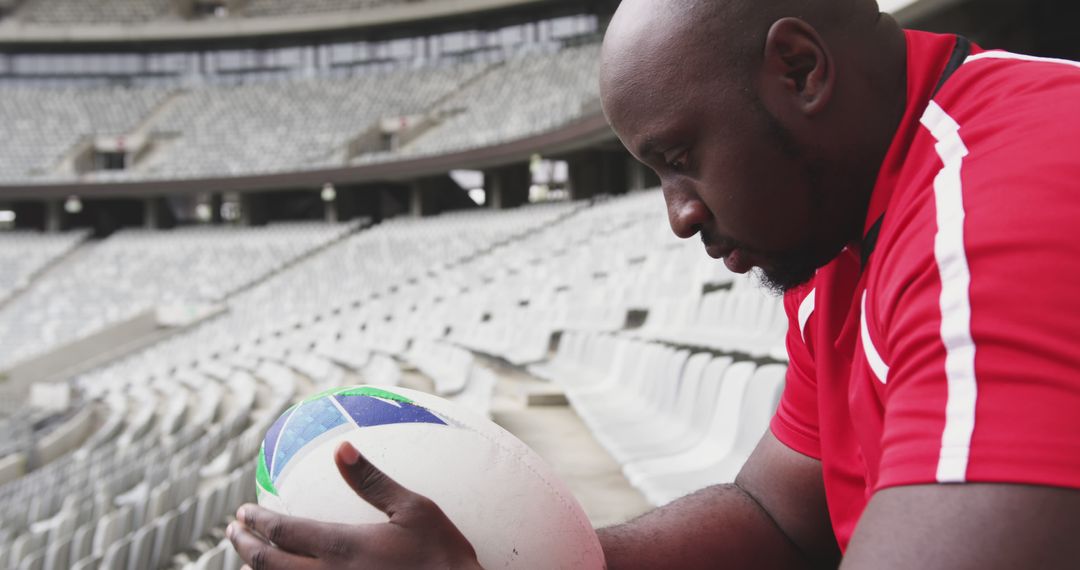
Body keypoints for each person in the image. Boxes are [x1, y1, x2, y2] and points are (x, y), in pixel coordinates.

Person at [227, 0, 1080, 567]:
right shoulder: (847, 238)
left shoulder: (995, 208)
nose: (677, 216)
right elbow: (776, 517)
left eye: (679, 160)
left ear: (801, 70)